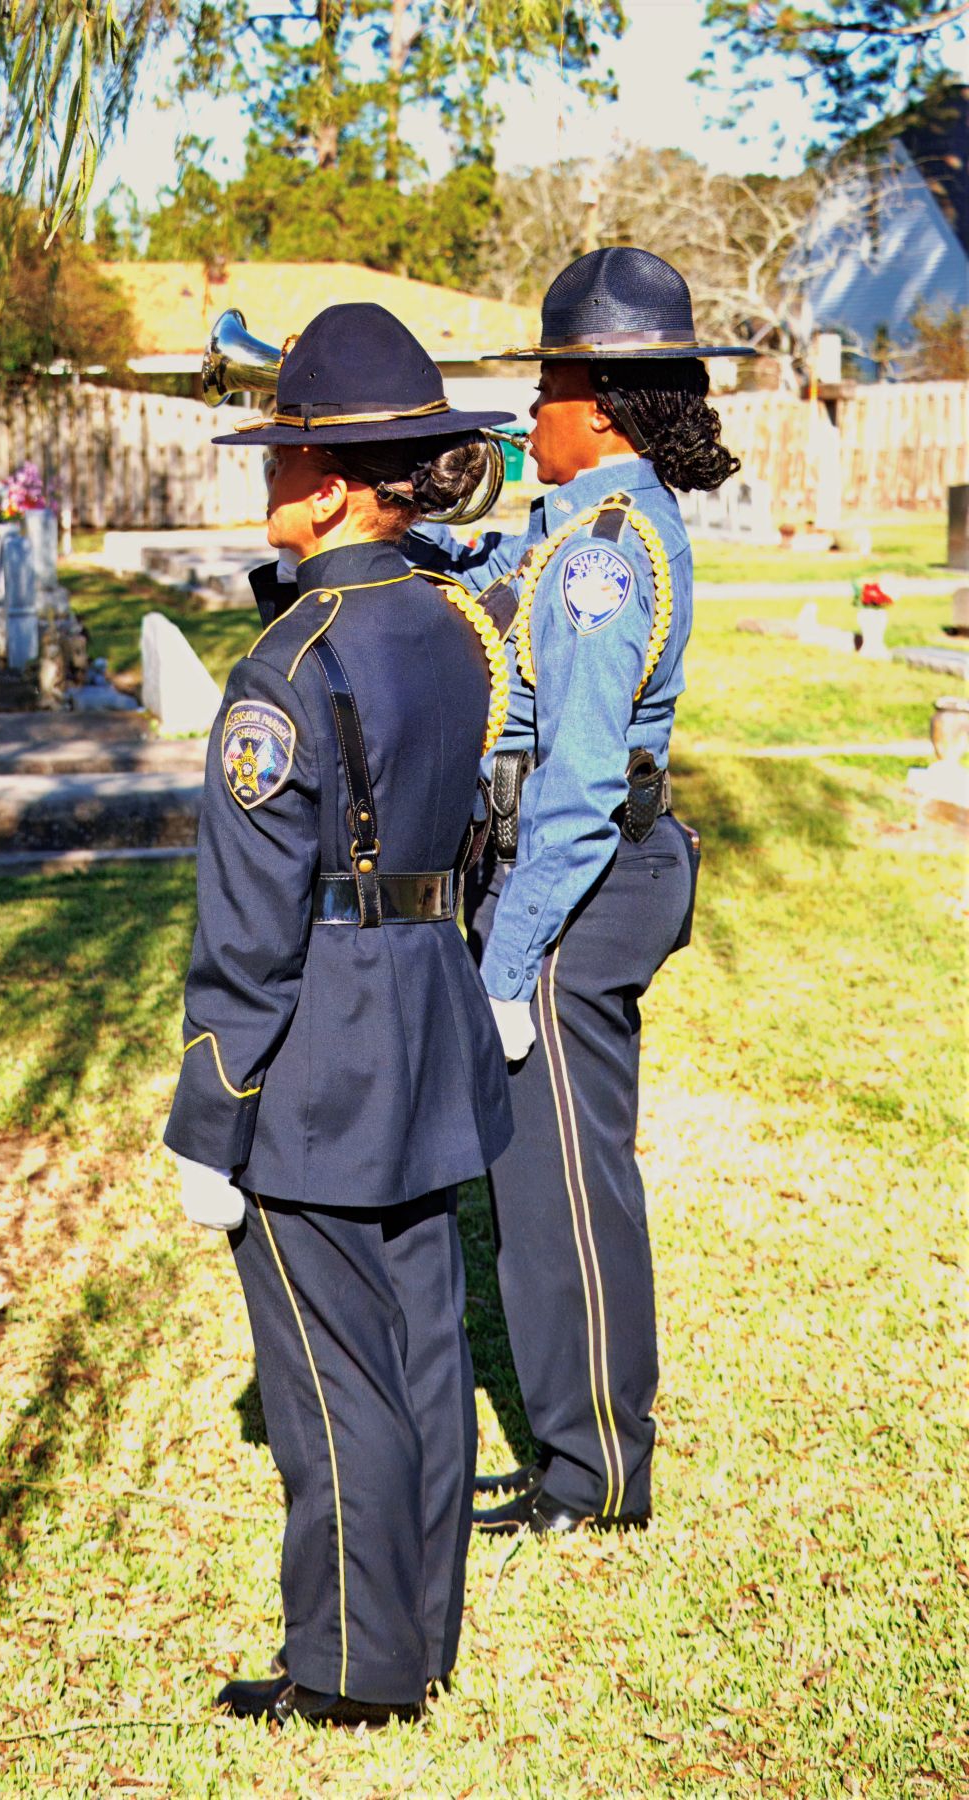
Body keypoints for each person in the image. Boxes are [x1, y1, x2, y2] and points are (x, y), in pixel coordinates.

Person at [163, 302, 515, 1727]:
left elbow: (249, 934)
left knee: (325, 1378)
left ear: (325, 481)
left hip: (320, 1054)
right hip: (430, 1012)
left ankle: (355, 1669)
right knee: (423, 1344)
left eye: (281, 457)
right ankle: (419, 1631)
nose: (267, 484)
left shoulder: (287, 671)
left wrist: (210, 1113)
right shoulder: (452, 621)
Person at [423, 247, 751, 1536]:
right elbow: (499, 594)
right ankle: (576, 1447)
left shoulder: (606, 553)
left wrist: (509, 965)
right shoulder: (577, 528)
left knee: (566, 1183)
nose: (526, 412)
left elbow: (578, 783)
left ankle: (599, 1469)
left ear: (599, 403)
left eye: (543, 387)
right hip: (575, 878)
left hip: (579, 882)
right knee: (540, 1182)